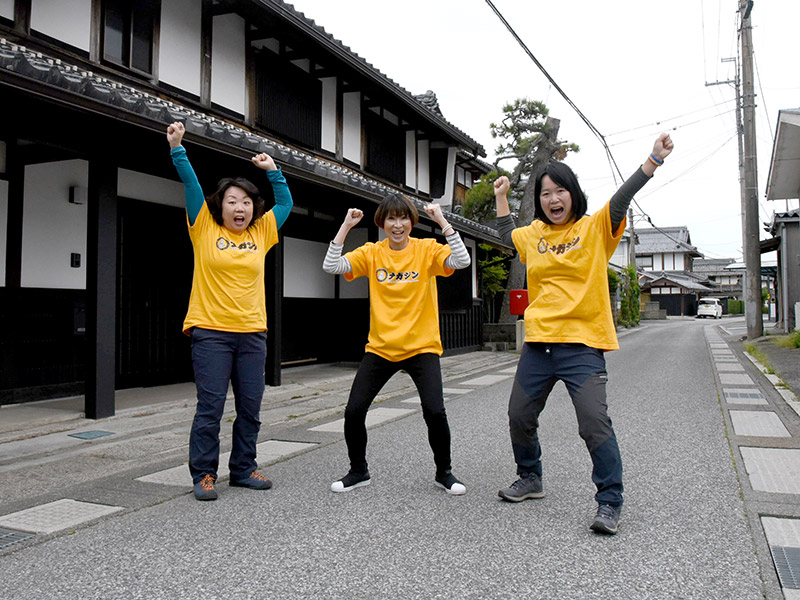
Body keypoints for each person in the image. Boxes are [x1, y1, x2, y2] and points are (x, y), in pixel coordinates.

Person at [494, 134, 674, 534]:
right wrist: (502, 195)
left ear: (573, 194)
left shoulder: (595, 230)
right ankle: (531, 477)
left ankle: (610, 501)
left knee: (594, 423)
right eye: (545, 194)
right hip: (539, 345)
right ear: (538, 200)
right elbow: (508, 235)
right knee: (519, 416)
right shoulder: (535, 235)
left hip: (583, 345)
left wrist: (653, 160)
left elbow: (622, 198)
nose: (553, 199)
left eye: (560, 191)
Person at [166, 121, 293, 501]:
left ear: (254, 209)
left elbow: (285, 204)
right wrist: (178, 149)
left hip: (253, 332)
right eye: (232, 201)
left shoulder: (261, 232)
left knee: (251, 406)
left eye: (246, 202)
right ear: (219, 206)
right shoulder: (202, 228)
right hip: (210, 331)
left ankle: (243, 468)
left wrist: (275, 172)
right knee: (211, 407)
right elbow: (191, 187)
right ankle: (204, 474)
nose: (240, 207)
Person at [322, 194, 471, 495]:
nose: (398, 224)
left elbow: (462, 260)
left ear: (412, 222)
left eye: (404, 218)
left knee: (434, 411)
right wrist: (346, 226)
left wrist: (441, 220)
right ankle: (358, 471)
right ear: (383, 223)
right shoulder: (372, 253)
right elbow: (331, 265)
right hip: (381, 347)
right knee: (353, 411)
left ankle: (444, 472)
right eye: (391, 218)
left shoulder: (426, 249)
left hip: (422, 346)